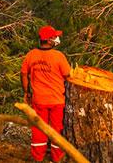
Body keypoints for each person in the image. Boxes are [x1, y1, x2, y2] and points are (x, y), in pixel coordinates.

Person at [21, 25, 72, 163]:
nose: (57, 38)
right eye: (55, 36)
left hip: (39, 100)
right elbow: (68, 75)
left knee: (39, 130)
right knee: (57, 130)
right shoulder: (59, 56)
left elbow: (24, 73)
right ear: (49, 40)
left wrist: (27, 92)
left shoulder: (31, 55)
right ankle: (57, 158)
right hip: (57, 100)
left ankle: (37, 158)